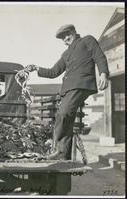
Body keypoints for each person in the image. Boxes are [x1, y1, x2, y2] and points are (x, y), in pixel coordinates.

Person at [25, 24, 109, 160]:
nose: (65, 39)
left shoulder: (87, 40)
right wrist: (36, 68)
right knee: (67, 118)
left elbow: (99, 56)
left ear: (74, 32)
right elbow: (53, 72)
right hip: (67, 90)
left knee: (62, 114)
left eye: (67, 35)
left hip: (81, 84)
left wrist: (104, 73)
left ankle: (55, 149)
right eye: (62, 38)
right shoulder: (65, 54)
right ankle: (63, 154)